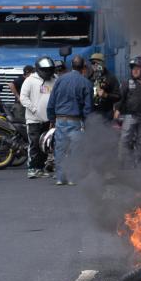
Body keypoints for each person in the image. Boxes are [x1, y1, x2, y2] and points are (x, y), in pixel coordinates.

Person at [47, 55, 93, 185]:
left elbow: (51, 102)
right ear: (83, 67)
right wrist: (86, 122)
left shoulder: (60, 80)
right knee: (75, 150)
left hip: (60, 120)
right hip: (76, 120)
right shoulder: (86, 83)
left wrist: (52, 119)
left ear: (71, 65)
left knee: (60, 149)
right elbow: (88, 107)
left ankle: (61, 178)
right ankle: (73, 178)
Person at [21, 57, 57, 179]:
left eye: (49, 70)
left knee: (45, 145)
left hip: (48, 120)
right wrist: (34, 109)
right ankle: (32, 168)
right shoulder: (30, 80)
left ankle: (40, 168)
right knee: (34, 144)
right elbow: (23, 98)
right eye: (45, 70)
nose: (47, 72)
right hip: (34, 120)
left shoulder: (55, 79)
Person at [115, 56, 141, 168]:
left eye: (137, 68)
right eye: (133, 68)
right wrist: (117, 109)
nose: (134, 70)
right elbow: (120, 97)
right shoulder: (127, 83)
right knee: (124, 140)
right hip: (130, 116)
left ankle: (139, 166)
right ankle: (121, 165)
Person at [89, 53, 121, 121]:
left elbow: (118, 96)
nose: (94, 65)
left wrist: (106, 95)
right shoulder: (89, 77)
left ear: (102, 63)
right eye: (92, 63)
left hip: (106, 113)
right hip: (92, 112)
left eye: (96, 63)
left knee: (105, 131)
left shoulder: (111, 78)